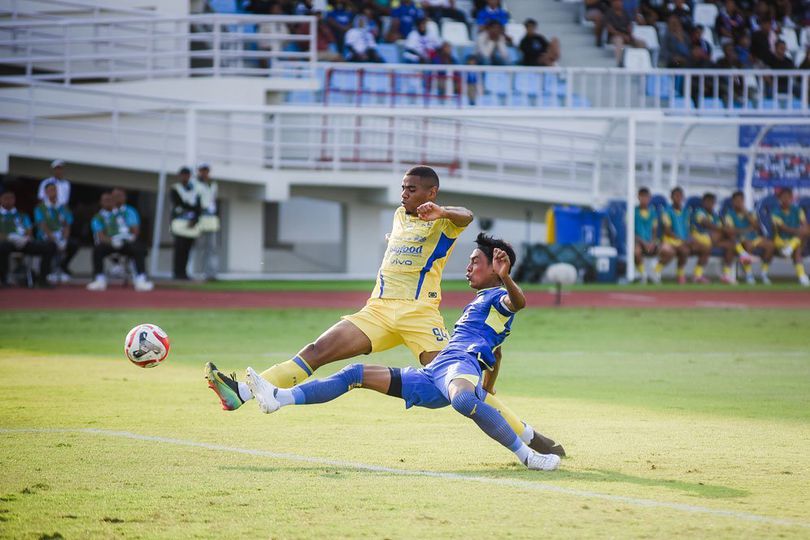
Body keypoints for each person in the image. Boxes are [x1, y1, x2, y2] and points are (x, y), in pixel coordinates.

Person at [205, 165, 565, 457]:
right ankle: (245, 392)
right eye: (403, 187)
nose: (404, 193)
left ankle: (531, 438)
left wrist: (442, 212)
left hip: (418, 315)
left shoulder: (444, 222)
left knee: (460, 387)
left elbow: (467, 215)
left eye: (411, 188)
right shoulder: (398, 216)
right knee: (316, 352)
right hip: (376, 311)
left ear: (431, 193)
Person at [243, 233, 561, 472]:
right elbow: (497, 352)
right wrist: (489, 387)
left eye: (475, 261)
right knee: (354, 374)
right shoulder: (479, 304)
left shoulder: (498, 297)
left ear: (497, 266)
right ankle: (277, 398)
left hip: (458, 368)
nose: (468, 267)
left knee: (464, 399)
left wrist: (507, 278)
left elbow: (518, 304)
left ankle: (528, 457)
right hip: (436, 373)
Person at [86, 192, 154, 292]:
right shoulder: (98, 217)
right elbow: (100, 235)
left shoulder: (123, 213)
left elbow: (132, 229)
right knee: (98, 249)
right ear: (101, 203)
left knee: (138, 247)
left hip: (125, 242)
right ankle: (99, 279)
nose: (108, 203)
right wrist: (112, 241)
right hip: (109, 243)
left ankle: (141, 279)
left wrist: (128, 238)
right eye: (105, 201)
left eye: (110, 200)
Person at [0, 190, 55, 288]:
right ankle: (3, 279)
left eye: (11, 198)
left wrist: (23, 237)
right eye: (6, 198)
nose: (9, 201)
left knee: (49, 246)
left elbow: (29, 230)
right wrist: (9, 237)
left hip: (22, 242)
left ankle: (42, 279)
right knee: (3, 247)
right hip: (5, 243)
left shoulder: (21, 215)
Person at [723, 191, 774, 285]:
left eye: (741, 200)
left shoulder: (750, 212)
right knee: (748, 245)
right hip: (741, 239)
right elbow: (730, 230)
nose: (739, 203)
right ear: (733, 202)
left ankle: (764, 274)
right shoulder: (729, 214)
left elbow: (756, 226)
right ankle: (749, 275)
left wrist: (746, 213)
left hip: (754, 238)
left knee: (770, 246)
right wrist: (746, 230)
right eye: (737, 201)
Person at [34, 181, 79, 282]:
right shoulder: (40, 208)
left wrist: (64, 239)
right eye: (49, 190)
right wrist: (54, 239)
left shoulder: (63, 207)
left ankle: (62, 266)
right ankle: (48, 272)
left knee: (73, 244)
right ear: (45, 192)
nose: (52, 192)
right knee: (50, 246)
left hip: (60, 236)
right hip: (45, 237)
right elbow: (42, 225)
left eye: (54, 190)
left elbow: (67, 224)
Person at [690, 192, 735, 284]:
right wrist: (724, 229)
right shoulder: (699, 211)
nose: (710, 204)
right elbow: (706, 224)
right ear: (703, 202)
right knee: (723, 233)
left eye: (712, 202)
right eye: (708, 202)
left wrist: (724, 227)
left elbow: (720, 228)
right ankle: (697, 275)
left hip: (712, 240)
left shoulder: (715, 215)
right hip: (698, 237)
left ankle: (726, 275)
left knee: (730, 245)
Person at [633, 187, 674, 284]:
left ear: (650, 198)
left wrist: (652, 242)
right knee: (636, 252)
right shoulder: (632, 212)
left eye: (647, 197)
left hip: (650, 243)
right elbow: (631, 232)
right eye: (642, 197)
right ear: (638, 197)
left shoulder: (653, 212)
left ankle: (655, 271)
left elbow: (654, 230)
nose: (645, 199)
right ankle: (643, 275)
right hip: (638, 242)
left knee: (670, 251)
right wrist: (643, 243)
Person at [771, 188, 809, 286]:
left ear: (792, 198)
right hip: (781, 241)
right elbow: (784, 229)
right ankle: (801, 276)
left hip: (794, 241)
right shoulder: (775, 212)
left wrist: (802, 231)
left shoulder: (797, 210)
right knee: (798, 247)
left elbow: (804, 224)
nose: (786, 199)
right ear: (779, 199)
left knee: (806, 230)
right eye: (784, 197)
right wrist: (800, 231)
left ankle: (790, 248)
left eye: (788, 197)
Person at [170, 166, 201, 281]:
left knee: (187, 249)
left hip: (191, 223)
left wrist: (195, 219)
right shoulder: (175, 188)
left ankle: (184, 272)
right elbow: (179, 204)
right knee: (179, 248)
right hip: (179, 222)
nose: (185, 177)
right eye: (183, 175)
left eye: (187, 175)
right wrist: (191, 208)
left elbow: (198, 207)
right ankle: (177, 272)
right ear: (179, 176)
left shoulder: (195, 190)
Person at [660, 187, 692, 285]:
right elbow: (667, 230)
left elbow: (687, 228)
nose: (678, 198)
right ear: (671, 197)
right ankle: (656, 270)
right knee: (678, 251)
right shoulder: (666, 211)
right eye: (676, 196)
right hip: (669, 240)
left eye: (680, 196)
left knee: (700, 248)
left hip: (682, 240)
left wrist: (688, 238)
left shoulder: (686, 212)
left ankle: (684, 274)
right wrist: (681, 239)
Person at [194, 164, 220, 282]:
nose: (205, 173)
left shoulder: (213, 185)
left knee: (212, 247)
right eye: (202, 171)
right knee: (200, 246)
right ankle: (198, 272)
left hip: (211, 218)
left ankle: (211, 273)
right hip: (201, 217)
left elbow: (213, 200)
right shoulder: (195, 184)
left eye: (206, 171)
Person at [604, 0, 646, 65]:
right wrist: (623, 36)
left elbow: (629, 26)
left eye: (620, 1)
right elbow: (610, 29)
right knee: (619, 40)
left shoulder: (625, 13)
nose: (618, 3)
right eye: (616, 1)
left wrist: (630, 36)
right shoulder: (609, 13)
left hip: (626, 36)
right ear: (612, 3)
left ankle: (642, 63)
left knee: (642, 43)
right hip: (614, 37)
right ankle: (619, 63)